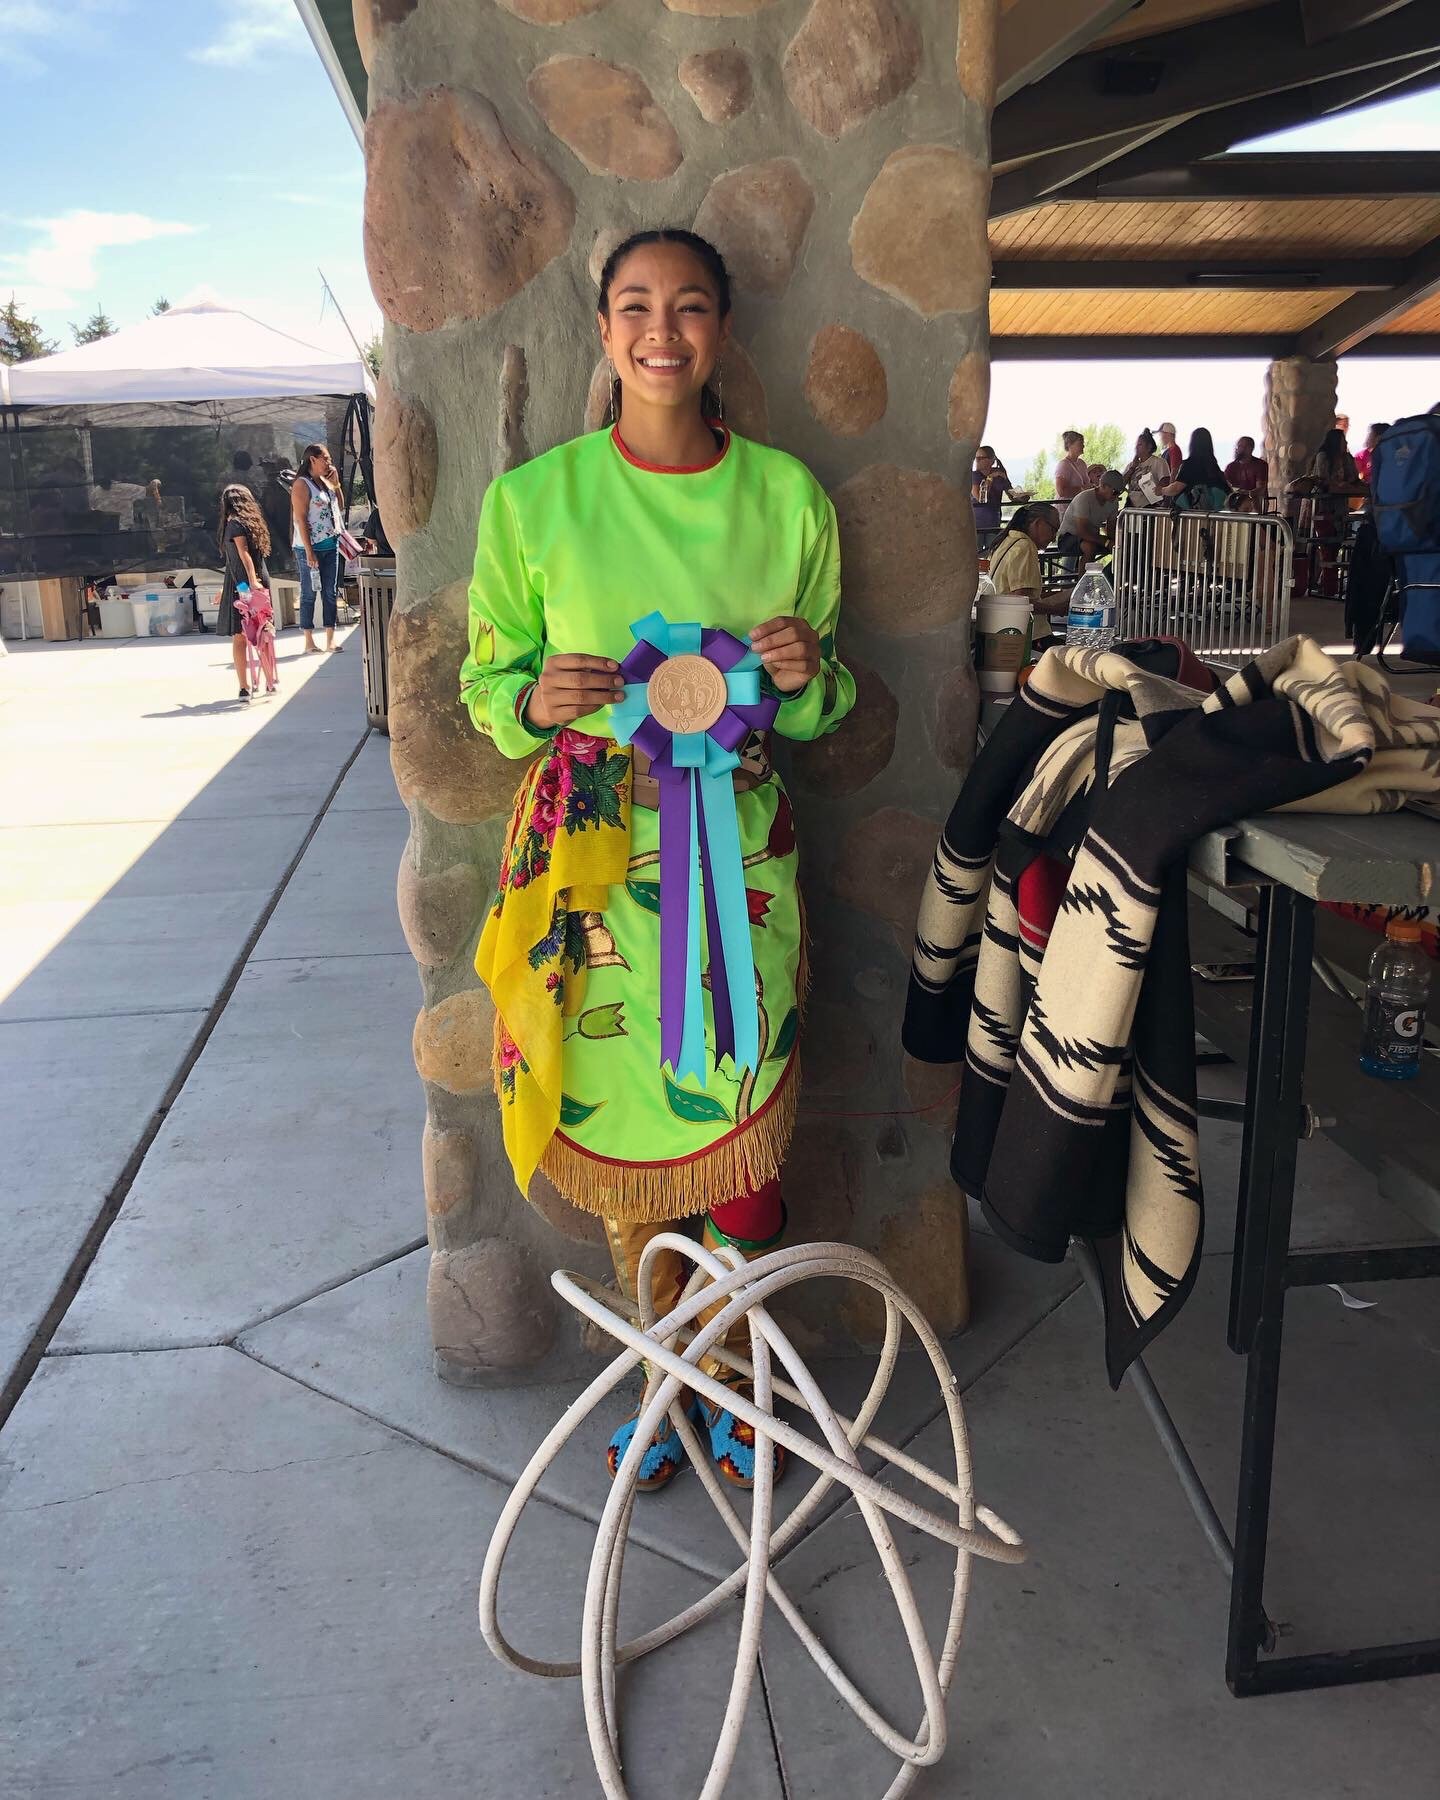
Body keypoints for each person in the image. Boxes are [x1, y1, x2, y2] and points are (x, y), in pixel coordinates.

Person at [459, 227, 855, 1493]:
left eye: (689, 307)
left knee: (740, 1118)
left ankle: (735, 1381)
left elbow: (830, 700)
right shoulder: (531, 505)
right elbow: (485, 684)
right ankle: (662, 1381)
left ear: (724, 329)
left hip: (738, 859)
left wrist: (803, 679)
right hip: (590, 865)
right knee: (626, 1131)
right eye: (635, 306)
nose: (661, 331)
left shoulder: (790, 501)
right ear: (604, 328)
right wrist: (533, 701)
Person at [1293, 425, 1365, 598]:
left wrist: (1347, 483)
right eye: (1343, 440)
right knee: (1326, 545)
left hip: (1340, 506)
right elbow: (1323, 479)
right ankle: (1328, 587)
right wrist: (1339, 484)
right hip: (1323, 507)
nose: (1345, 443)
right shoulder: (1323, 457)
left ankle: (1328, 585)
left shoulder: (1347, 458)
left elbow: (1353, 477)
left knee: (1336, 543)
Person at [216, 483, 273, 702]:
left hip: (242, 584)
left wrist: (250, 581)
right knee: (262, 632)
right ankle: (269, 680)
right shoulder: (253, 523)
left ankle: (243, 687)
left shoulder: (234, 525)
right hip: (253, 580)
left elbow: (243, 554)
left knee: (241, 635)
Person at [291, 441, 344, 654]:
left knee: (330, 592)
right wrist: (309, 550)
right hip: (309, 548)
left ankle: (330, 638)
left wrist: (336, 484)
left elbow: (338, 506)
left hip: (331, 543)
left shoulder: (325, 482)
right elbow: (301, 519)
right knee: (309, 592)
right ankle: (309, 640)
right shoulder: (302, 485)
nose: (329, 463)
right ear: (313, 459)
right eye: (326, 459)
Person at [988, 501, 1061, 611]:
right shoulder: (1025, 546)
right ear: (1038, 523)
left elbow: (1018, 595)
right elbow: (1021, 602)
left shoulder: (1007, 540)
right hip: (1020, 626)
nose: (1053, 538)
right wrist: (1058, 609)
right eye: (1053, 530)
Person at [1057, 470, 1123, 566]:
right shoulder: (1084, 498)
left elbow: (1111, 529)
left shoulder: (1113, 502)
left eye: (1120, 492)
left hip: (1091, 537)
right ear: (1103, 486)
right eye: (1115, 492)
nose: (1117, 495)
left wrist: (1117, 543)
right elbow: (1082, 531)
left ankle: (1111, 577)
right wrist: (1107, 542)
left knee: (1121, 547)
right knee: (1089, 547)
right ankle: (1084, 580)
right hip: (1067, 538)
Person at [1161, 427, 1229, 511]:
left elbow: (1176, 488)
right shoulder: (1214, 466)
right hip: (1216, 516)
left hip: (1195, 516)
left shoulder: (1190, 464)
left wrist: (1162, 490)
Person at [970, 444, 1026, 535]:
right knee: (977, 548)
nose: (977, 461)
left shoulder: (1000, 474)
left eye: (981, 458)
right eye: (976, 458)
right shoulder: (974, 475)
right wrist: (990, 478)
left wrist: (1022, 496)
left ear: (991, 461)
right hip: (976, 522)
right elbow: (980, 498)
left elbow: (1011, 494)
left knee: (992, 547)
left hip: (994, 520)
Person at [1124, 429, 1170, 510]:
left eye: (1140, 445)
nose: (1136, 448)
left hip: (1150, 505)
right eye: (1136, 445)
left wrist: (1156, 489)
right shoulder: (1131, 465)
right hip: (1131, 505)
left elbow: (1165, 480)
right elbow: (1121, 483)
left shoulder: (1158, 462)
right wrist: (1132, 468)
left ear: (1149, 447)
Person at [1224, 435, 1268, 506]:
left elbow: (1261, 489)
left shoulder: (1260, 465)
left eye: (1243, 446)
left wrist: (1246, 494)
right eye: (1239, 446)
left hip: (1254, 503)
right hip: (1235, 504)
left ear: (1250, 449)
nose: (1239, 449)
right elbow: (1227, 485)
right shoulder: (1231, 467)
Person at [1053, 430, 1090, 504]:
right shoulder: (1064, 465)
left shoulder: (1082, 463)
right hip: (1066, 508)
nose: (1083, 446)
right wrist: (1082, 488)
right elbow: (1061, 491)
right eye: (1080, 443)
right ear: (1070, 445)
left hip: (1080, 506)